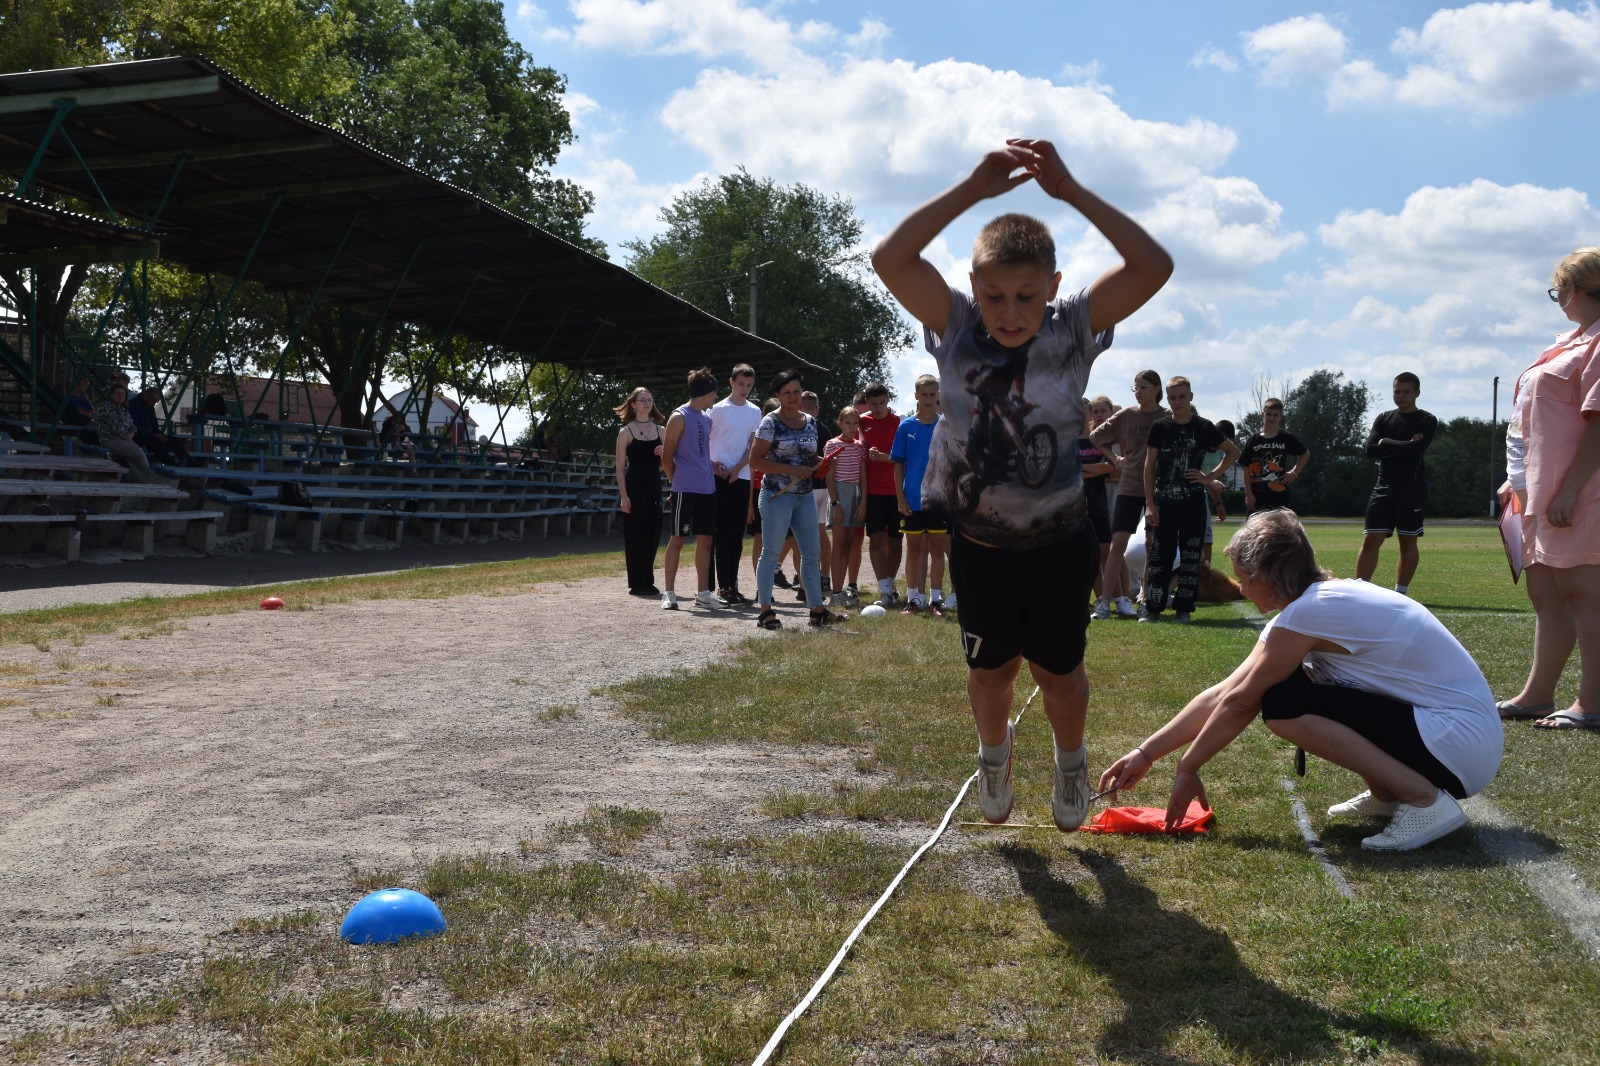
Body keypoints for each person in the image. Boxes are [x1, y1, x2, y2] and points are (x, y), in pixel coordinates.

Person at [872, 137, 1172, 831]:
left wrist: (1071, 191)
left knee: (1060, 675)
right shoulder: (956, 322)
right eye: (997, 296)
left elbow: (1154, 265)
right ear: (975, 290)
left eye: (1027, 296)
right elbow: (890, 259)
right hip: (980, 543)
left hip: (1062, 538)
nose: (1010, 313)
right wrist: (972, 189)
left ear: (1054, 287)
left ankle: (1070, 761)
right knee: (990, 674)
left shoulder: (1072, 328)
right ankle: (993, 753)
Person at [1100, 510, 1502, 852]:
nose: (1239, 587)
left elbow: (1242, 702)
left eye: (1244, 576)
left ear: (1268, 575)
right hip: (1458, 740)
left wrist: (1187, 767)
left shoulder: (1311, 611)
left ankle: (1424, 799)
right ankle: (1388, 795)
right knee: (1289, 692)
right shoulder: (1315, 605)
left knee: (1284, 703)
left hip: (1458, 744)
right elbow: (1226, 691)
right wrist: (1146, 753)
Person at [1496, 247, 1600, 728]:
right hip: (1539, 490)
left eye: (1558, 289)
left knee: (1583, 591)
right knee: (1546, 592)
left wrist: (1568, 489)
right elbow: (1531, 421)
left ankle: (1592, 703)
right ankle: (1537, 694)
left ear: (1575, 289)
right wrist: (1515, 479)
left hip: (1577, 491)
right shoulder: (1568, 342)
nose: (1557, 298)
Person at [1139, 377, 1238, 623]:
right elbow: (1149, 465)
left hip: (1193, 503)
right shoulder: (1160, 427)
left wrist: (1210, 477)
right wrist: (1150, 504)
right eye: (1172, 397)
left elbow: (1233, 452)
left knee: (1192, 555)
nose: (1177, 402)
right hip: (1164, 501)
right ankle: (1152, 608)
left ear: (1191, 397)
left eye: (1182, 397)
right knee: (1159, 556)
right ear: (1167, 398)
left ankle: (1184, 609)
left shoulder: (1204, 427)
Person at [748, 369, 842, 630]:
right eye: (786, 393)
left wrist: (821, 464)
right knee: (770, 554)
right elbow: (755, 461)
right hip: (777, 496)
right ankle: (765, 611)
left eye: (796, 392)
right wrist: (791, 470)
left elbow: (808, 458)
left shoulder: (810, 423)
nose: (792, 397)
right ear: (778, 395)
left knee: (811, 554)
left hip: (804, 496)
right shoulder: (770, 422)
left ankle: (816, 610)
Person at [1090, 370, 1167, 618]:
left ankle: (1145, 599)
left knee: (1151, 545)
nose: (1138, 390)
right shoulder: (1126, 414)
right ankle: (1104, 603)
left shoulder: (1167, 417)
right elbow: (1095, 436)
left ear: (1157, 388)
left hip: (1158, 488)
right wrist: (1115, 459)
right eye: (1135, 386)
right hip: (1129, 485)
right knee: (1117, 545)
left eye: (1144, 386)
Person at [1355, 373, 1437, 594]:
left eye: (1406, 392)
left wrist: (1386, 442)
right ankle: (1360, 590)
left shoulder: (1426, 420)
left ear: (1417, 393)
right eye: (1397, 391)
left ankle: (1400, 593)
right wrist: (1403, 445)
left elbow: (1415, 451)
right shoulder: (1384, 418)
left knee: (1407, 542)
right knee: (1371, 538)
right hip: (1383, 485)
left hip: (1412, 487)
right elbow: (1369, 450)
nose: (1400, 396)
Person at [659, 368, 725, 611]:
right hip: (685, 489)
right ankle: (669, 593)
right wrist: (677, 482)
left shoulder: (706, 418)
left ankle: (703, 594)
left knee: (706, 540)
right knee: (678, 538)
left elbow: (700, 453)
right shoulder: (679, 416)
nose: (716, 397)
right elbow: (666, 458)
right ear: (704, 392)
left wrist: (712, 465)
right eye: (714, 392)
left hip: (708, 489)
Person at [891, 375, 950, 616]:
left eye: (932, 394)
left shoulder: (946, 425)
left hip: (939, 500)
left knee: (937, 550)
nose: (928, 399)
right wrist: (900, 498)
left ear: (938, 396)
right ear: (915, 396)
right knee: (913, 549)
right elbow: (898, 465)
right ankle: (913, 599)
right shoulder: (906, 427)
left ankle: (936, 600)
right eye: (923, 394)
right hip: (912, 499)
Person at [708, 364, 760, 606]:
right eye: (741, 384)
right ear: (731, 382)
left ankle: (732, 584)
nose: (745, 389)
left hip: (741, 476)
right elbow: (705, 443)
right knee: (723, 532)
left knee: (737, 536)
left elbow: (753, 447)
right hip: (718, 477)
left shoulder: (754, 411)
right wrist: (715, 466)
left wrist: (737, 468)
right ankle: (723, 586)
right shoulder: (716, 410)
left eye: (749, 385)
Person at [614, 386, 664, 597]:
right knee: (637, 532)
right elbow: (619, 467)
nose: (647, 403)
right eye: (642, 400)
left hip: (654, 482)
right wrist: (624, 496)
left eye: (650, 399)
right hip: (634, 484)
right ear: (633, 404)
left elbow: (667, 464)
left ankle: (648, 579)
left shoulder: (662, 431)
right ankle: (637, 582)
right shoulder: (626, 432)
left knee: (654, 530)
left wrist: (666, 453)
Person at [858, 382, 904, 606]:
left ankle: (892, 585)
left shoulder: (899, 422)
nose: (878, 408)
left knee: (895, 541)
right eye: (873, 404)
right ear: (867, 403)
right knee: (875, 539)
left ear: (888, 400)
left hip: (897, 491)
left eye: (882, 403)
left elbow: (906, 456)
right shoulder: (862, 422)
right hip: (873, 491)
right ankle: (884, 591)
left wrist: (885, 457)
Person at [824, 405, 868, 608]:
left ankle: (846, 590)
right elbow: (829, 477)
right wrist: (836, 503)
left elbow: (863, 475)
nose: (852, 427)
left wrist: (863, 501)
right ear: (840, 422)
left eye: (855, 423)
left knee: (850, 545)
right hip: (840, 495)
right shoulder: (832, 445)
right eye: (848, 423)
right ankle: (836, 592)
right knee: (839, 546)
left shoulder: (860, 446)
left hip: (856, 494)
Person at [1081, 395, 1119, 618]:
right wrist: (1094, 469)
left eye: (1098, 411)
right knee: (1087, 555)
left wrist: (1083, 469)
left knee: (1109, 550)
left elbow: (1111, 467)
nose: (1096, 415)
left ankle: (1118, 598)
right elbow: (1067, 469)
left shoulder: (1101, 439)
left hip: (1102, 499)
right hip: (1076, 502)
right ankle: (1091, 599)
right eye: (1093, 411)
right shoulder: (1069, 439)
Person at [1241, 398, 1309, 515]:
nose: (1271, 418)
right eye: (1268, 414)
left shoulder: (1286, 437)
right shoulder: (1253, 439)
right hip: (1257, 495)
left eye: (1275, 415)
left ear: (1280, 417)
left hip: (1279, 495)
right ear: (1263, 414)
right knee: (1254, 531)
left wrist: (1293, 473)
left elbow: (1305, 453)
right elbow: (1245, 466)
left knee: (1282, 530)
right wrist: (1248, 494)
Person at [799, 390, 833, 603]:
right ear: (817, 408)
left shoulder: (803, 427)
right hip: (823, 488)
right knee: (821, 531)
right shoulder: (825, 429)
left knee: (805, 536)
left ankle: (806, 584)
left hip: (808, 487)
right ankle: (824, 576)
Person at [128, 386, 191, 466]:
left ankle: (190, 462)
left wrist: (161, 435)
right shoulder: (133, 405)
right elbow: (132, 426)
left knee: (173, 440)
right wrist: (153, 435)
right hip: (138, 438)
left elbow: (154, 425)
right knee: (156, 441)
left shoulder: (150, 407)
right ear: (147, 396)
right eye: (153, 401)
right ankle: (171, 464)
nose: (154, 404)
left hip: (151, 436)